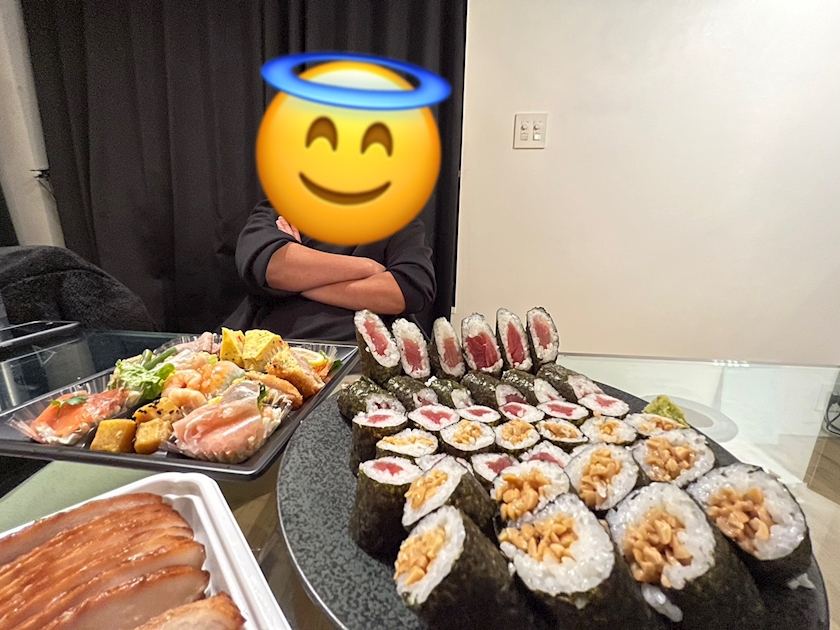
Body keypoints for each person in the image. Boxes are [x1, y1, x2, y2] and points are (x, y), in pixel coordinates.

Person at [224, 200, 436, 341]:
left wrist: (300, 278)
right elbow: (272, 268)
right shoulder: (279, 211)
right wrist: (368, 267)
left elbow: (407, 290)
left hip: (366, 358)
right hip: (277, 351)